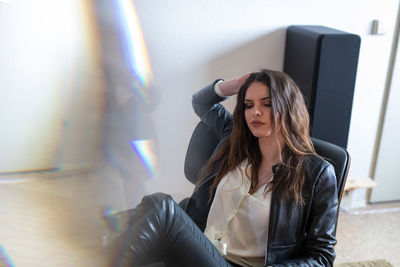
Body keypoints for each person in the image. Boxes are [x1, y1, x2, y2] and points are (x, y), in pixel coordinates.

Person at [109, 69, 338, 266]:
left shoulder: (317, 174)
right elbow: (200, 102)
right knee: (154, 205)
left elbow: (322, 256)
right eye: (248, 105)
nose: (255, 112)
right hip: (200, 248)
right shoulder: (235, 140)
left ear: (288, 107)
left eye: (266, 104)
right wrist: (234, 86)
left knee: (163, 209)